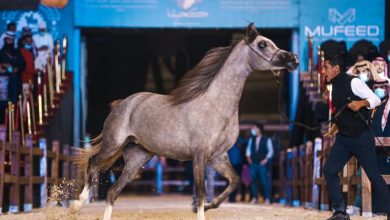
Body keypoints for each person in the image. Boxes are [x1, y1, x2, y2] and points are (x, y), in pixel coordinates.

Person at [322, 55, 390, 220]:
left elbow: (375, 99)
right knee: (329, 170)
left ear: (336, 68)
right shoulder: (334, 86)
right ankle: (340, 212)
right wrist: (334, 128)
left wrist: (360, 104)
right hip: (344, 138)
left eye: (326, 67)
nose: (323, 71)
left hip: (361, 137)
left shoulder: (354, 82)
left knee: (373, 174)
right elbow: (343, 111)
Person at [246, 125, 273, 204]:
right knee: (254, 180)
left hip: (262, 163)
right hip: (253, 163)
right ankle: (255, 197)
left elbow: (270, 151)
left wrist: (266, 160)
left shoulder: (267, 139)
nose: (253, 130)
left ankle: (267, 198)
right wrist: (249, 159)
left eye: (255, 128)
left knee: (264, 181)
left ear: (259, 129)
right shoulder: (252, 139)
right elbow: (248, 151)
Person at [0, 32, 25, 103]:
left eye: (12, 40)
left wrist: (17, 69)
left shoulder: (17, 52)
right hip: (4, 85)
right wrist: (3, 65)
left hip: (16, 83)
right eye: (9, 40)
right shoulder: (1, 53)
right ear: (5, 40)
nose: (10, 42)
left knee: (16, 102)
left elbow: (22, 64)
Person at [227, 136, 244, 202]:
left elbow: (243, 151)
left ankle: (233, 197)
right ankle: (230, 197)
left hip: (239, 164)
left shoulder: (241, 141)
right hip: (230, 164)